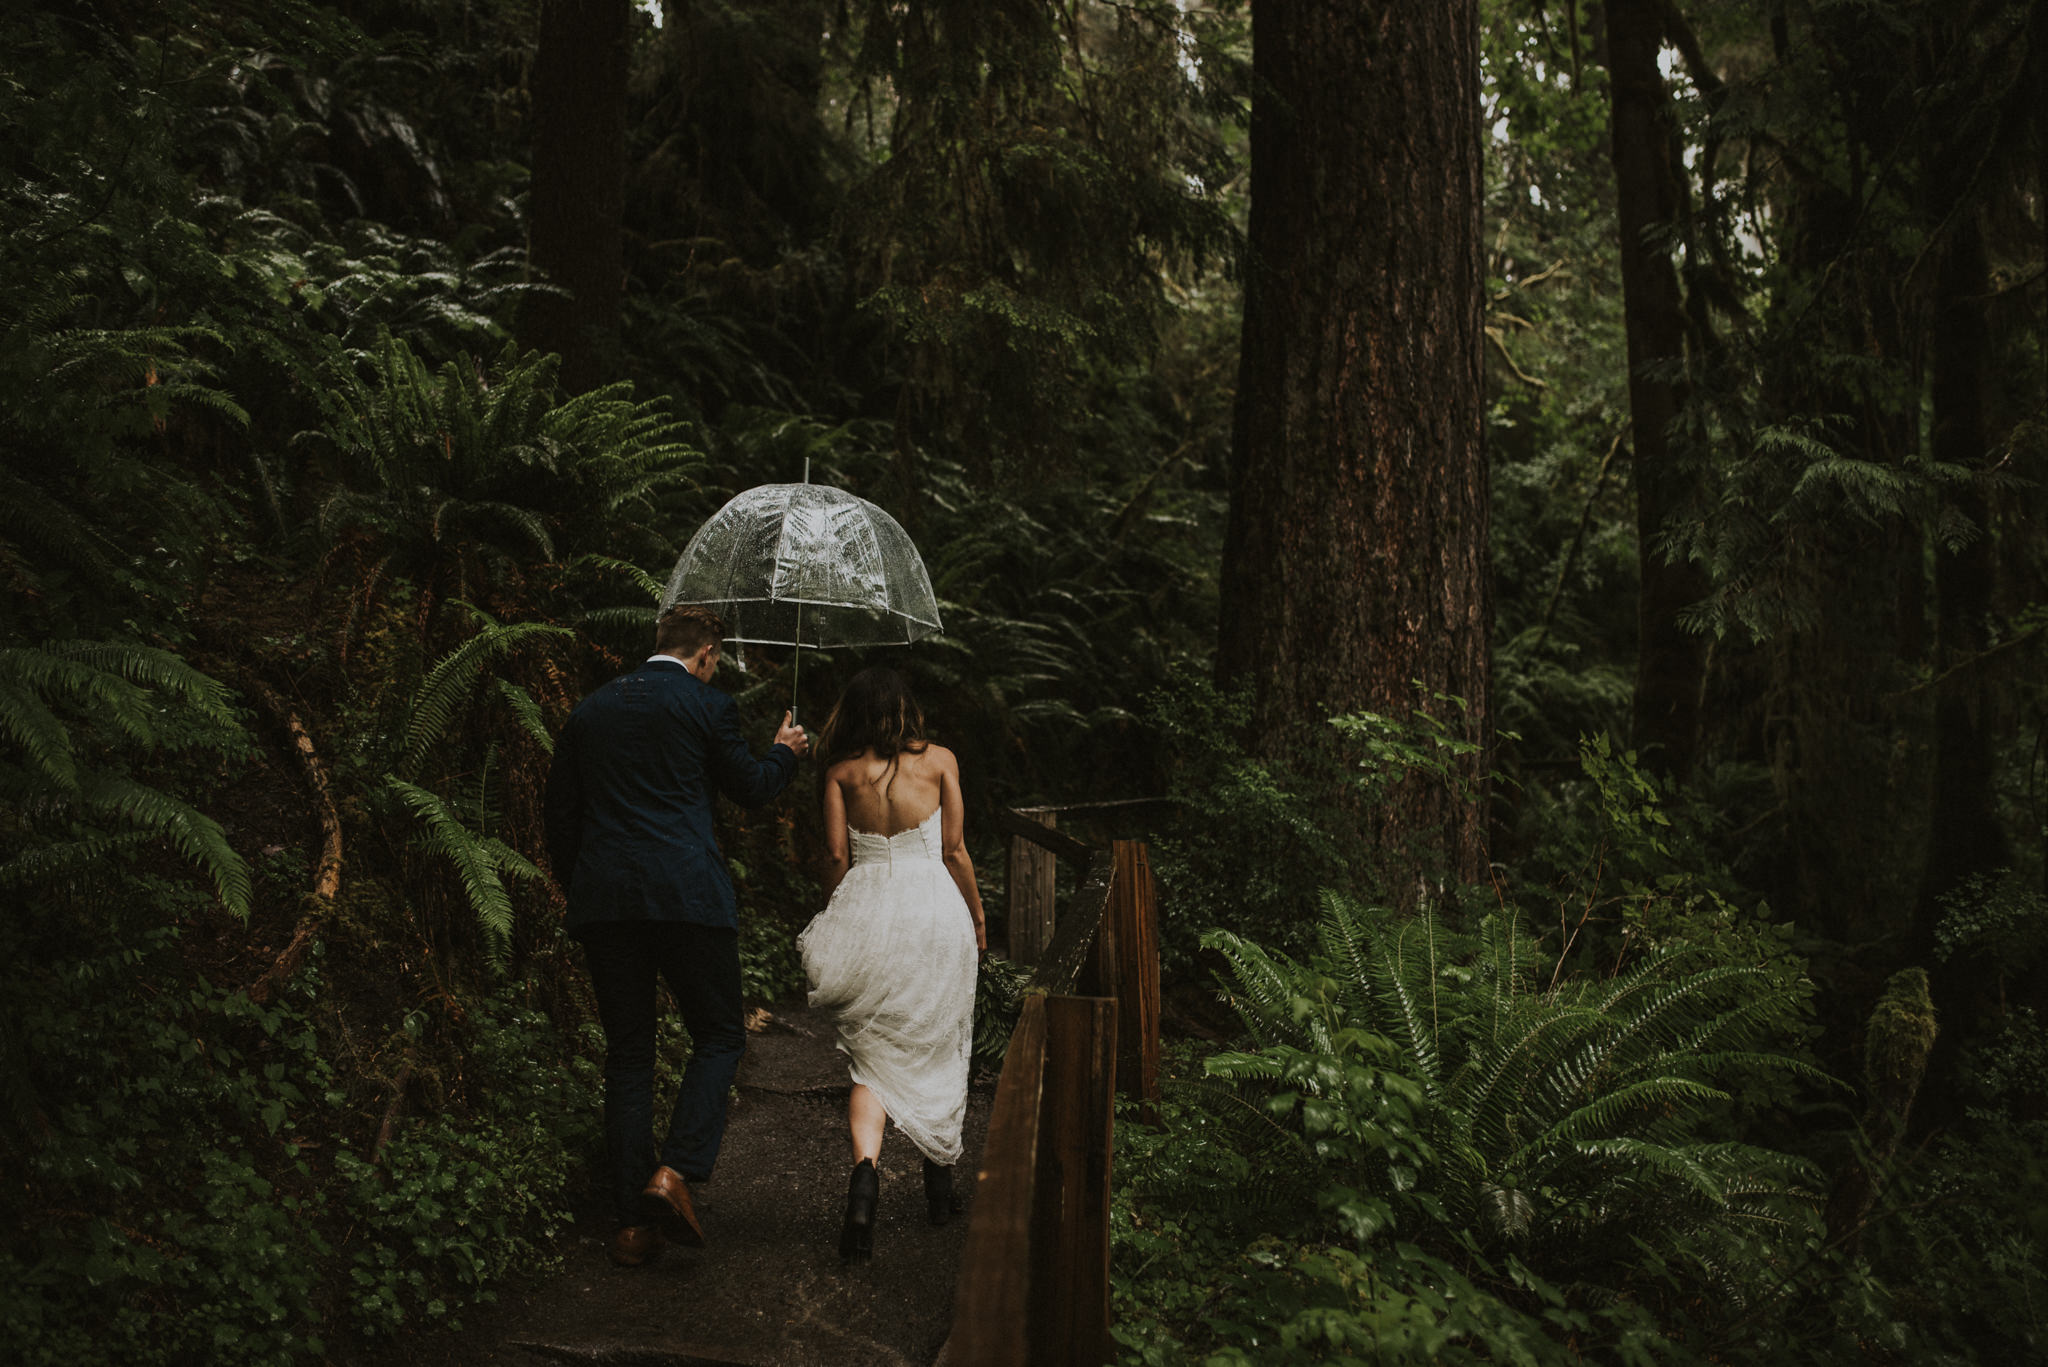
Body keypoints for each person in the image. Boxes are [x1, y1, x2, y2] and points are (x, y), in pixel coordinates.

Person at [543, 604, 809, 1267]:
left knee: (629, 1054)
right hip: (689, 898)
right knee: (719, 1034)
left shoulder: (590, 710)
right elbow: (749, 788)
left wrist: (589, 885)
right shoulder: (707, 705)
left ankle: (635, 1224)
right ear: (707, 653)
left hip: (608, 903)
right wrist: (785, 752)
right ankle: (676, 1171)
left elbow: (560, 818)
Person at [796, 666, 986, 1263]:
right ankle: (938, 1186)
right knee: (940, 1042)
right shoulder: (940, 763)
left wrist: (839, 917)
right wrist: (979, 919)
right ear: (907, 711)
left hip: (868, 909)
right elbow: (954, 850)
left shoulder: (840, 773)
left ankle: (864, 1180)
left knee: (871, 1059)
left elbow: (834, 856)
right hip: (934, 910)